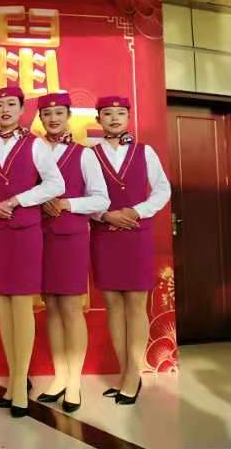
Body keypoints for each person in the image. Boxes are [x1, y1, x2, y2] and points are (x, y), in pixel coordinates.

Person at [0, 86, 64, 418]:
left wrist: (18, 200)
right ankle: (15, 382)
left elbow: (55, 184)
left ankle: (19, 389)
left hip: (25, 233)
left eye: (11, 104)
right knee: (3, 307)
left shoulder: (36, 145)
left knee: (22, 306)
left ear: (22, 109)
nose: (5, 110)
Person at [91, 96, 171, 405]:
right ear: (98, 119)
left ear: (128, 117)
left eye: (120, 113)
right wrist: (104, 215)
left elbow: (162, 189)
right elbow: (83, 194)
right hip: (105, 235)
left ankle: (133, 375)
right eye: (107, 113)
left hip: (137, 234)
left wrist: (137, 211)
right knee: (113, 304)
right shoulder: (90, 154)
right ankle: (125, 371)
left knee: (136, 305)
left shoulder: (144, 151)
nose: (114, 118)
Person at [35, 92, 109, 414]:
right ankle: (60, 376)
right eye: (47, 114)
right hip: (39, 237)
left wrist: (67, 203)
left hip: (71, 238)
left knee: (70, 308)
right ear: (40, 118)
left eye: (58, 113)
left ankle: (75, 381)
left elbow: (101, 199)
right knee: (50, 306)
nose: (53, 119)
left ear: (68, 116)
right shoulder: (33, 150)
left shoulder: (84, 155)